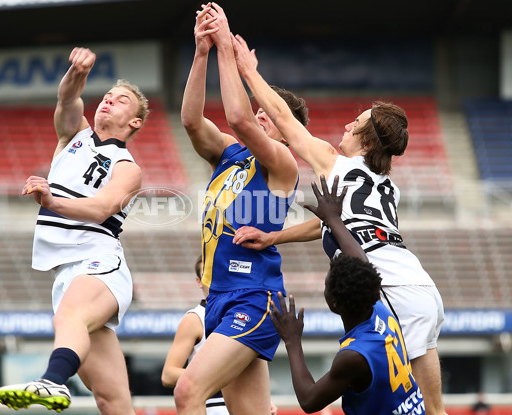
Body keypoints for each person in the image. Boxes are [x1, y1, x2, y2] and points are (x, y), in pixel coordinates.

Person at [231, 33, 447, 415]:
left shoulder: (334, 161)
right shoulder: (387, 186)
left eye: (357, 122)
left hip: (388, 285)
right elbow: (335, 226)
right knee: (433, 409)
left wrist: (248, 70)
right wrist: (275, 237)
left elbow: (283, 118)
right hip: (419, 284)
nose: (347, 123)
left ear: (366, 139)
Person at [0, 47, 149, 414]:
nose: (109, 101)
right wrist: (78, 72)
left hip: (98, 262)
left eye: (121, 100)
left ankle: (50, 382)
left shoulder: (127, 167)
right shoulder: (73, 137)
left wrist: (52, 202)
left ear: (136, 122)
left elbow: (101, 209)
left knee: (69, 318)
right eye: (107, 96)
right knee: (112, 399)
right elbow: (67, 98)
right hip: (68, 271)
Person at [173, 3, 307, 415]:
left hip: (253, 295)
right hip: (219, 297)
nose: (259, 117)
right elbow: (193, 122)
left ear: (287, 132)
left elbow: (239, 118)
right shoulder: (231, 157)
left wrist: (226, 49)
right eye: (260, 111)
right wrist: (201, 53)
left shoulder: (282, 163)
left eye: (269, 115)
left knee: (188, 392)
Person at [271, 174, 425, 415]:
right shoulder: (378, 310)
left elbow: (310, 401)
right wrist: (333, 219)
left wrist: (292, 340)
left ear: (333, 303)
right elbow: (361, 261)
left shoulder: (353, 356)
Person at [161, 255, 278, 415]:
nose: (213, 279)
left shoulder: (246, 315)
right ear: (199, 281)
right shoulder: (195, 318)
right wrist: (214, 374)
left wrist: (261, 399)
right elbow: (168, 374)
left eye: (216, 272)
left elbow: (246, 369)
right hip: (211, 406)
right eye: (207, 274)